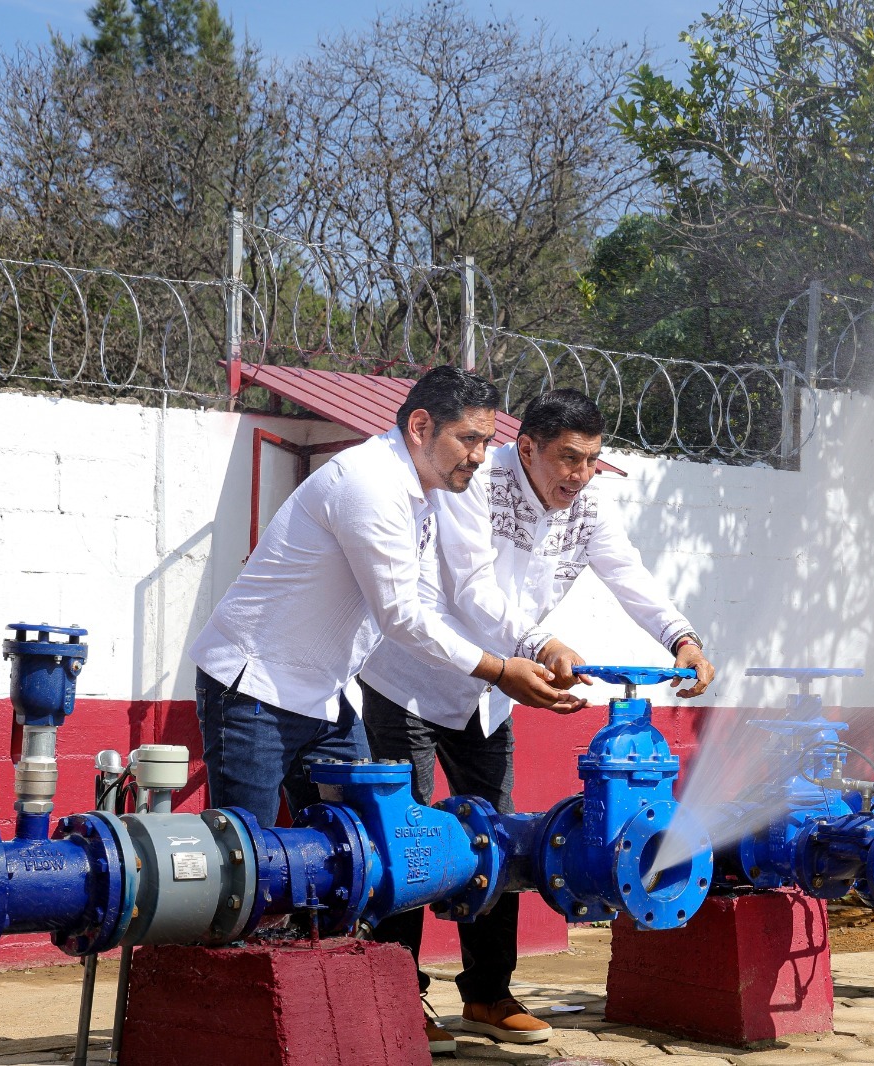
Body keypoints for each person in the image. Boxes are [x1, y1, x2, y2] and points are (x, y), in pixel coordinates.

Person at [358, 387, 715, 1048]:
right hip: (409, 681)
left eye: (590, 460)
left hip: (491, 696)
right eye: (567, 458)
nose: (578, 474)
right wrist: (541, 647)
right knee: (403, 840)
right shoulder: (474, 485)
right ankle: (398, 993)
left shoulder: (585, 507)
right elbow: (472, 592)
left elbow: (627, 572)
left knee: (500, 839)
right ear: (525, 447)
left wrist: (681, 639)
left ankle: (488, 995)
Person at [188, 366, 566, 837]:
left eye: (487, 442)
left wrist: (533, 644)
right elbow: (401, 618)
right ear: (421, 426)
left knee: (361, 853)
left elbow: (429, 601)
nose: (478, 457)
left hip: (325, 697)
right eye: (468, 439)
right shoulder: (370, 483)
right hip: (255, 688)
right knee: (245, 864)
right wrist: (499, 671)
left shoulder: (422, 494)